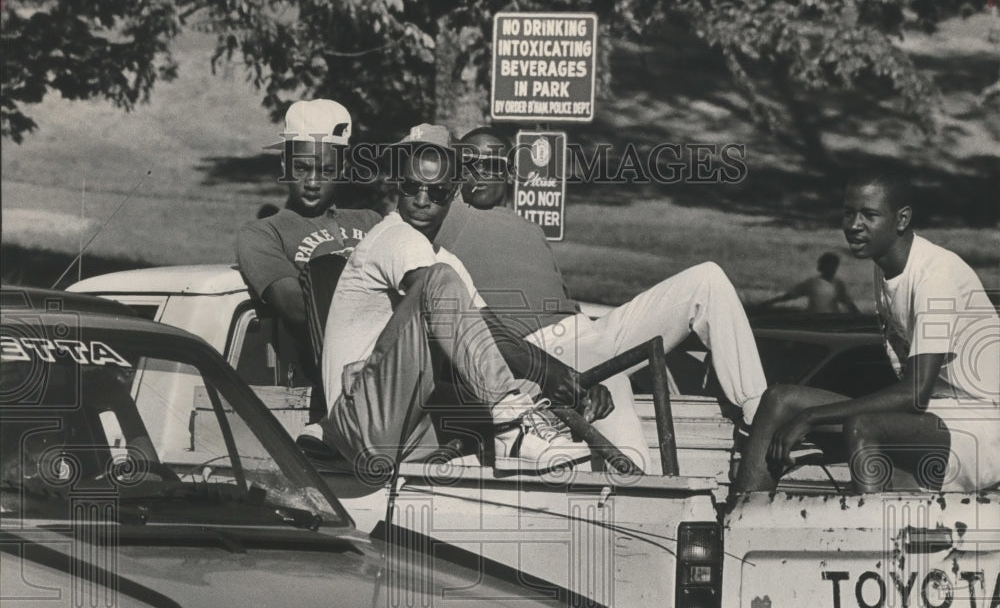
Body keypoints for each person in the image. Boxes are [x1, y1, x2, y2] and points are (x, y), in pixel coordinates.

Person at [440, 126, 767, 472]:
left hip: (592, 332)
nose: (476, 173)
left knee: (707, 279)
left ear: (508, 170)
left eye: (489, 164)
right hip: (551, 353)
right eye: (466, 163)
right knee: (631, 465)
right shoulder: (447, 217)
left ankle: (758, 416)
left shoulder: (530, 227)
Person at [311, 124, 608, 471]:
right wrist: (544, 381)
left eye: (436, 193)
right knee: (441, 284)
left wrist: (568, 379)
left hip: (405, 428)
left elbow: (494, 337)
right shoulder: (394, 238)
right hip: (359, 423)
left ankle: (518, 428)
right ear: (397, 187)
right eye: (411, 187)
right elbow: (441, 297)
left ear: (453, 195)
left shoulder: (444, 260)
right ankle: (512, 430)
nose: (421, 200)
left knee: (522, 391)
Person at [734, 169, 1000, 494]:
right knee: (780, 399)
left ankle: (869, 537)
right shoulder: (885, 266)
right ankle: (743, 519)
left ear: (901, 220)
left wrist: (813, 417)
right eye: (848, 212)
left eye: (869, 215)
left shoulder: (936, 278)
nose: (853, 224)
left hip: (981, 427)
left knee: (863, 425)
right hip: (934, 415)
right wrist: (807, 414)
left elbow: (914, 394)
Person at [236, 99, 382, 420]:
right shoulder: (263, 233)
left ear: (342, 169)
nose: (313, 182)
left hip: (386, 382)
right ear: (285, 166)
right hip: (316, 395)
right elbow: (298, 308)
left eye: (326, 169)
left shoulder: (370, 221)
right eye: (302, 168)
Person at [757, 252, 859, 313]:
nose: (832, 268)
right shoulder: (812, 283)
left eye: (833, 266)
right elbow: (790, 295)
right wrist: (769, 303)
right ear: (822, 267)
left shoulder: (838, 284)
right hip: (814, 319)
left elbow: (847, 302)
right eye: (828, 265)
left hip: (832, 320)